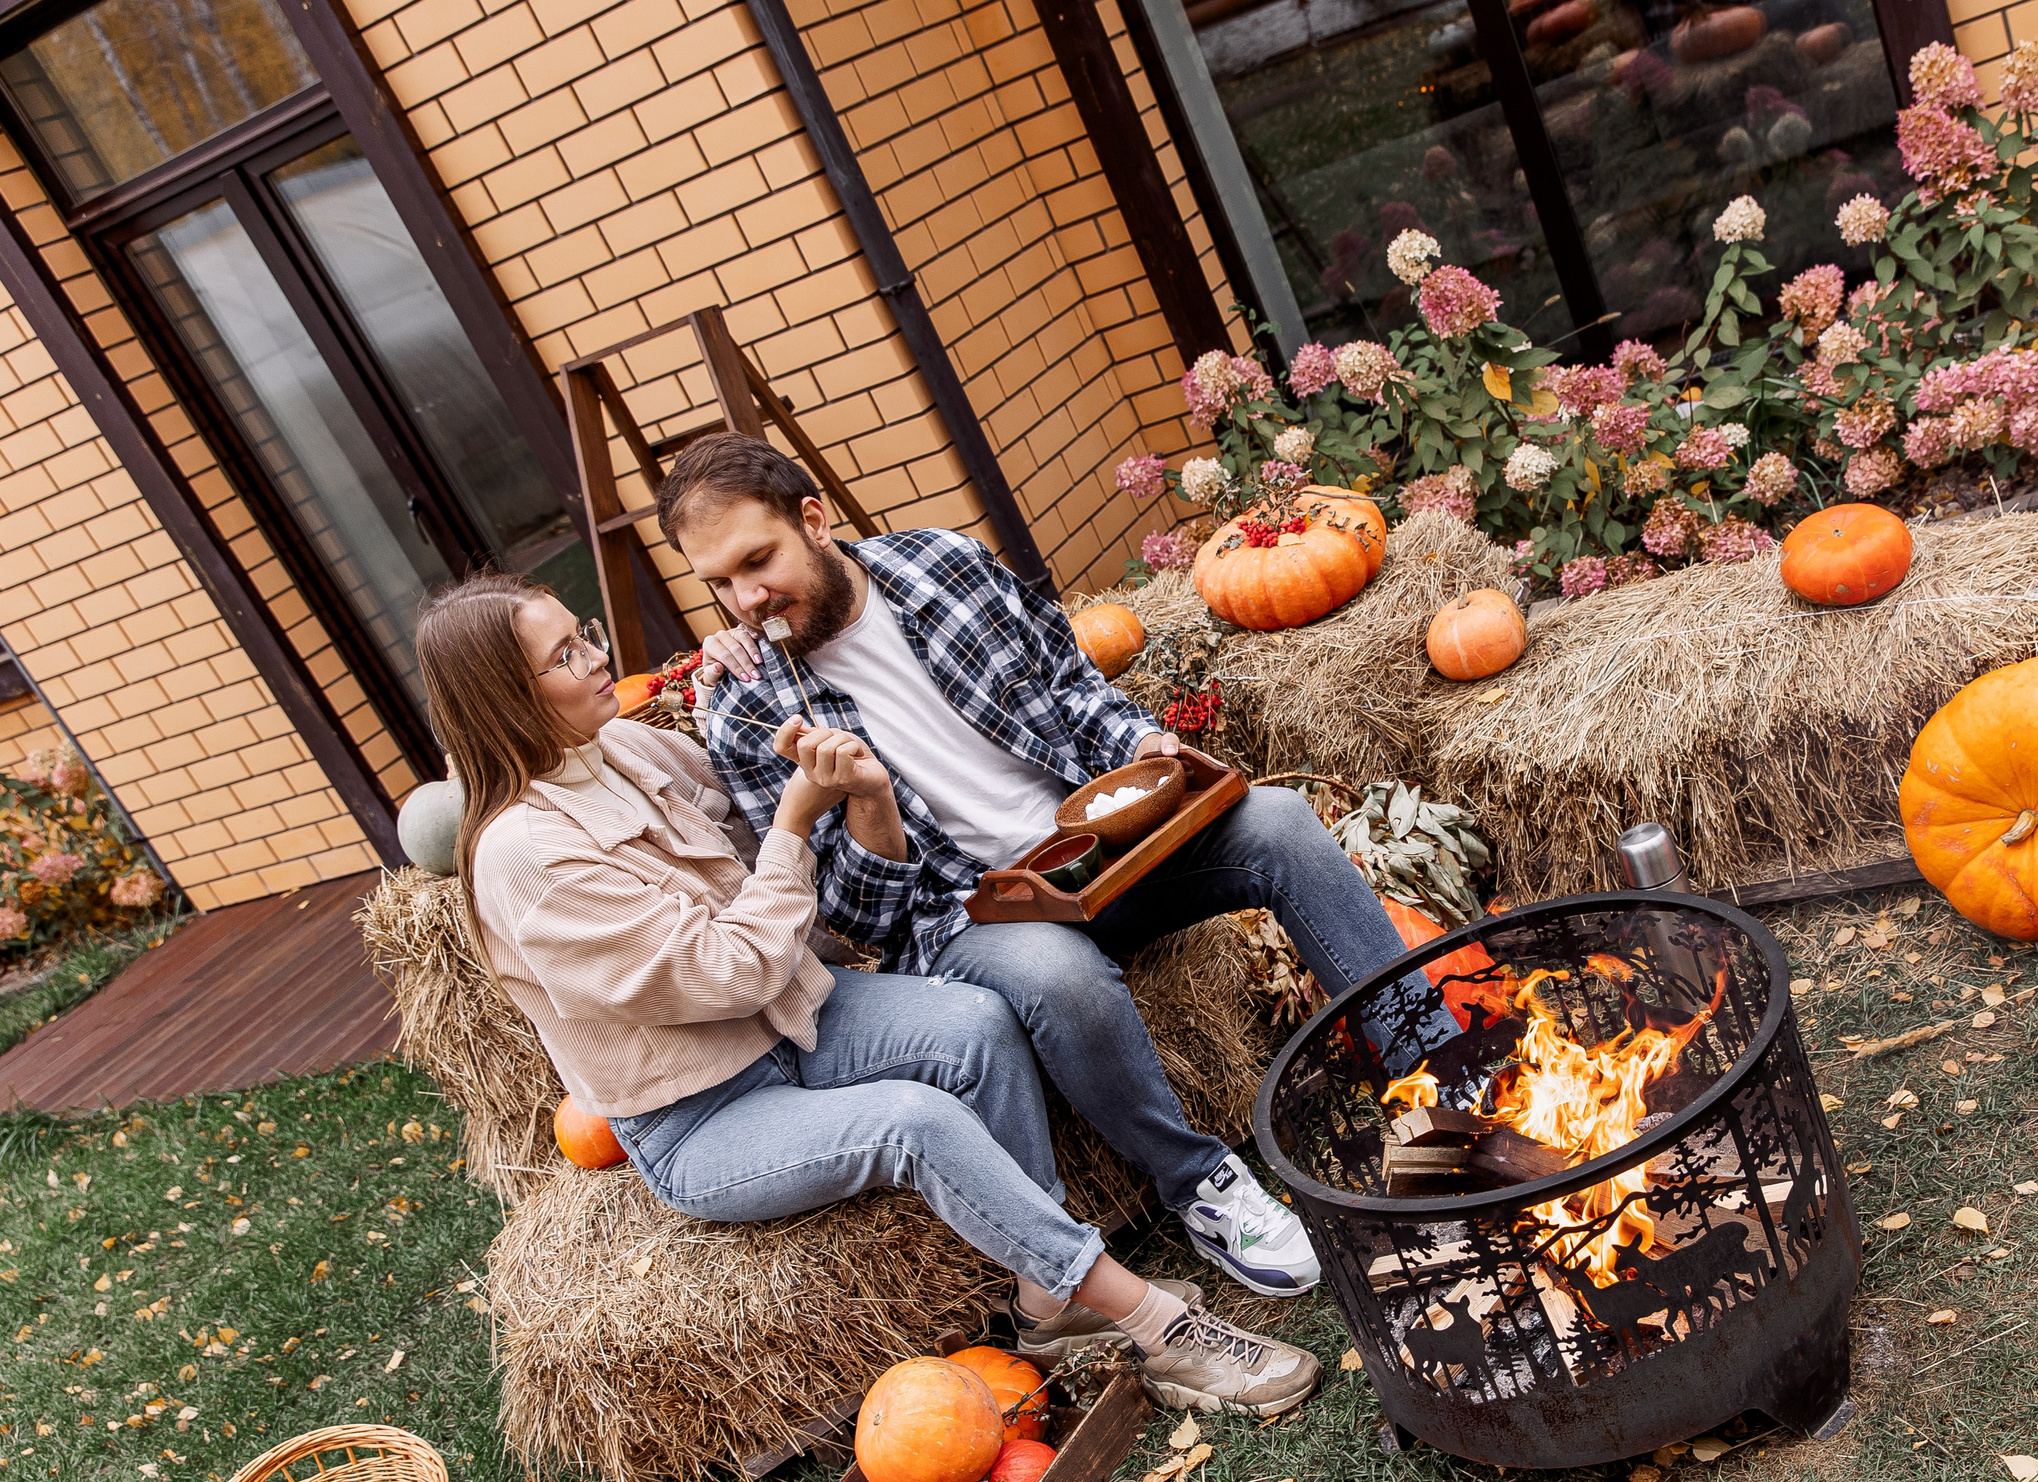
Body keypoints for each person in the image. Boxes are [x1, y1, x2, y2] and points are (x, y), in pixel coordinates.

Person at [417, 573, 1318, 1415]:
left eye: (584, 634)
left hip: (793, 1016)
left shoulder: (615, 744)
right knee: (913, 1122)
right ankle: (1158, 1327)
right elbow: (728, 970)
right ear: (507, 699)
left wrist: (737, 670)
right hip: (705, 1109)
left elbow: (733, 794)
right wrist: (796, 822)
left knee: (979, 1021)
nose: (597, 657)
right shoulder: (523, 858)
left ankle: (1048, 1301)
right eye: (566, 656)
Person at [661, 433, 1431, 1299]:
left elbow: (1068, 684)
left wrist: (1142, 745)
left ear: (814, 518)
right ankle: (1201, 1186)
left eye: (757, 561)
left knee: (1281, 823)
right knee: (1058, 976)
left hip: (1098, 845)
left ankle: (1434, 1070)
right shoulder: (743, 708)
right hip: (967, 913)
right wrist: (869, 803)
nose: (746, 599)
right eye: (718, 584)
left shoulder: (943, 563)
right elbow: (858, 921)